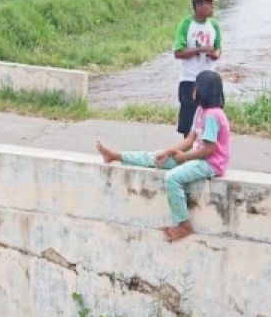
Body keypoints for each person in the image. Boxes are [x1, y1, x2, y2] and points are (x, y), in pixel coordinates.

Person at [96, 70, 230, 243]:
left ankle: (184, 224)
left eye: (196, 86)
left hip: (211, 164)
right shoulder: (200, 111)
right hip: (197, 157)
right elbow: (190, 139)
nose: (193, 89)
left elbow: (209, 150)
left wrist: (183, 158)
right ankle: (115, 156)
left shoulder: (213, 115)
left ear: (203, 90)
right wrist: (169, 152)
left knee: (172, 178)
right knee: (155, 157)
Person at [173, 0, 222, 136]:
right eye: (209, 3)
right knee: (189, 124)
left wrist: (215, 54)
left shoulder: (214, 25)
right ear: (199, 5)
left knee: (212, 120)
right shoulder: (186, 24)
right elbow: (178, 52)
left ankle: (207, 153)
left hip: (210, 81)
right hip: (189, 81)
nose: (212, 7)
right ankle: (187, 154)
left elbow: (218, 48)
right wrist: (199, 50)